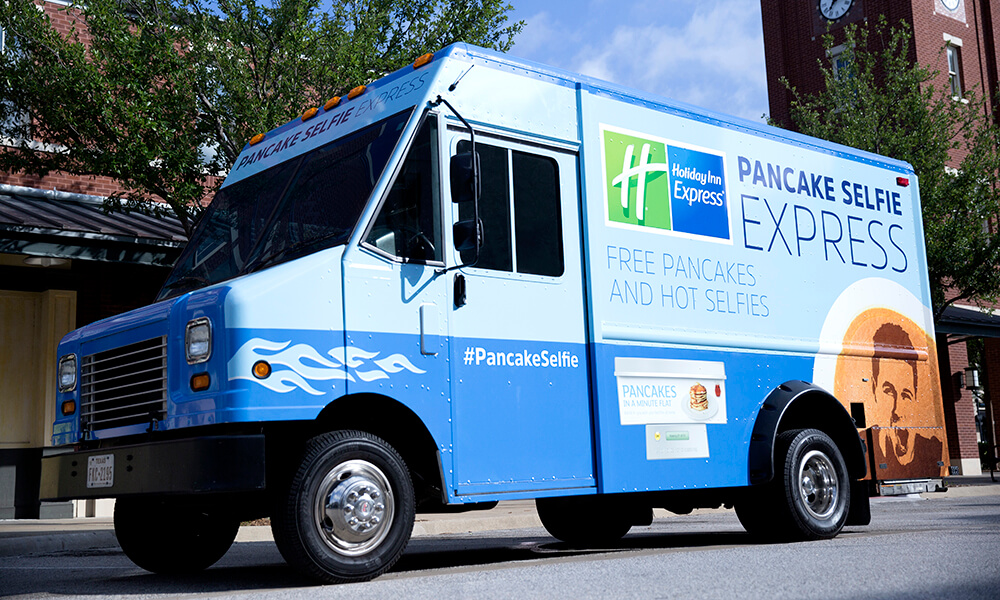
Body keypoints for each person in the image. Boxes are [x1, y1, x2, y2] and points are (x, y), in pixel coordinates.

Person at [870, 323, 942, 474]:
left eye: (905, 395)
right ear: (874, 390)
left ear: (916, 397)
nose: (897, 411)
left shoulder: (935, 449)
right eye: (888, 392)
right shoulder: (860, 445)